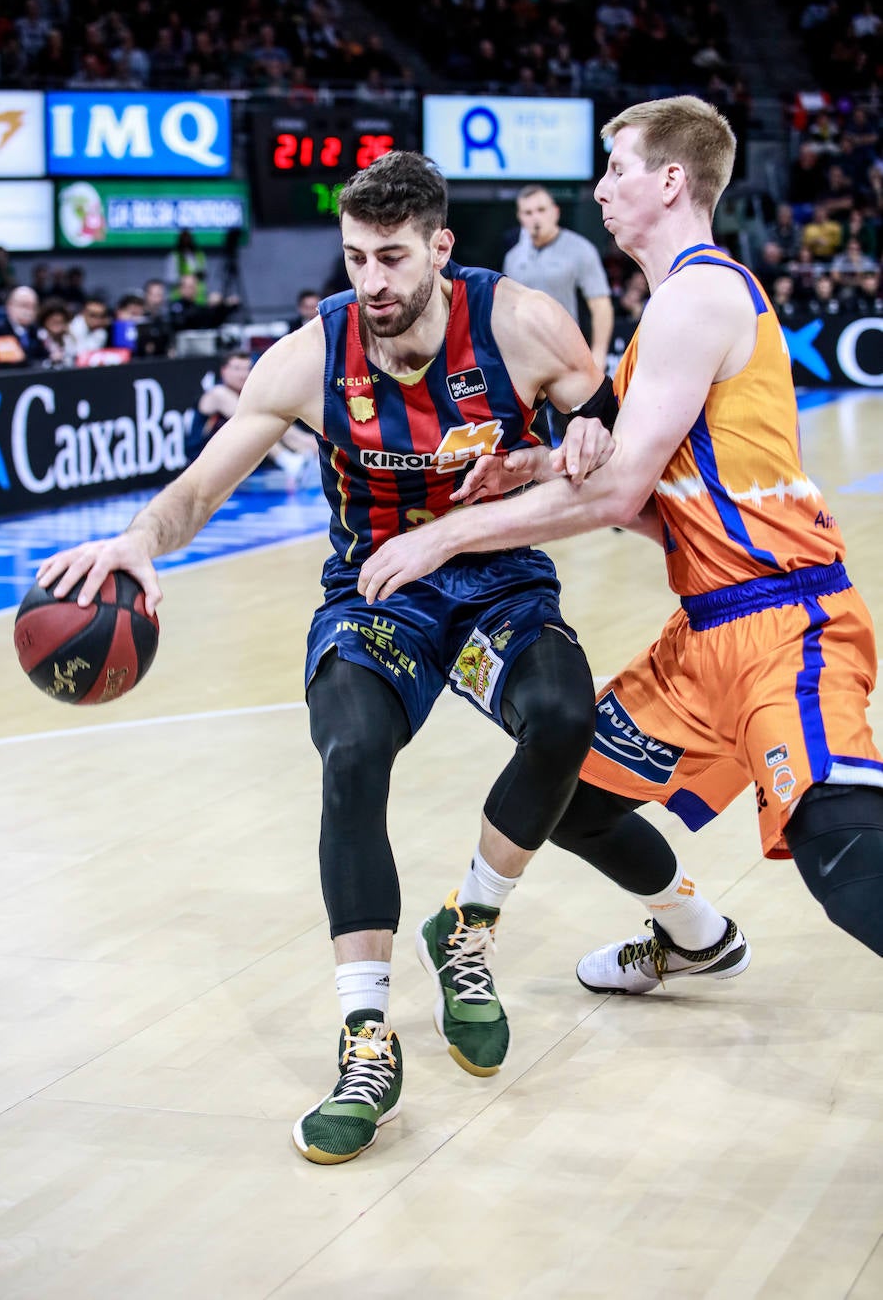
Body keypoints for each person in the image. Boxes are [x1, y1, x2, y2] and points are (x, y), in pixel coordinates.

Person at [35, 150, 610, 1166]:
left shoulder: (519, 322)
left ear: (439, 245)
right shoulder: (310, 355)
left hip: (497, 583)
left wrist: (573, 441)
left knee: (564, 718)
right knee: (349, 755)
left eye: (391, 258)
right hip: (373, 594)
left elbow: (598, 410)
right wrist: (137, 539)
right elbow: (201, 490)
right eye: (355, 259)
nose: (372, 282)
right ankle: (365, 1035)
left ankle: (467, 925)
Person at [358, 98, 883, 982]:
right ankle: (694, 938)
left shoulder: (701, 295)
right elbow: (650, 507)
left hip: (784, 622)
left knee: (840, 854)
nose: (599, 190)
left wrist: (449, 537)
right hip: (704, 634)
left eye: (618, 170)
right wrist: (533, 467)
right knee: (571, 796)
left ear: (672, 181)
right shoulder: (663, 316)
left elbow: (616, 495)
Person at [503, 184, 614, 372]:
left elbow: (601, 305)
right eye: (528, 212)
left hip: (567, 356)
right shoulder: (513, 257)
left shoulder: (580, 249)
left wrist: (599, 353)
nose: (535, 217)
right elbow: (507, 310)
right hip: (523, 359)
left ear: (555, 212)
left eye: (541, 210)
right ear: (520, 217)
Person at [185, 349, 318, 484]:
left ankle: (312, 456)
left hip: (234, 462)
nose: (243, 374)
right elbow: (254, 422)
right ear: (224, 371)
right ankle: (286, 460)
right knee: (257, 426)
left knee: (284, 427)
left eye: (247, 369)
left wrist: (307, 441)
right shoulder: (217, 394)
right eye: (237, 369)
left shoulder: (246, 394)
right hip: (204, 464)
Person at [0, 284, 47, 368]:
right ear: (9, 306)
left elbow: (43, 358)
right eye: (24, 305)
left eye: (33, 307)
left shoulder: (38, 331)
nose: (29, 312)